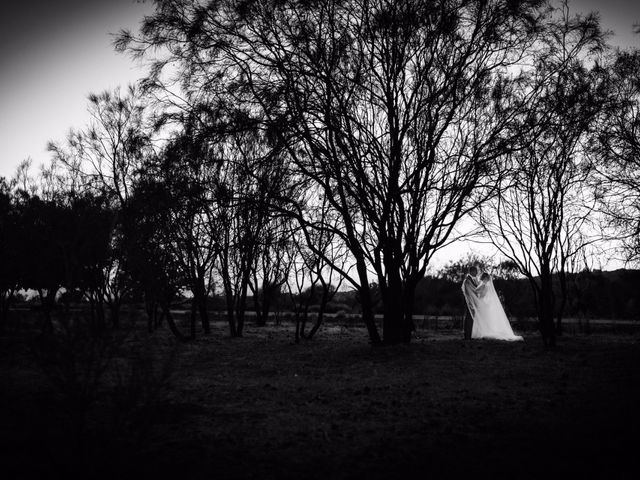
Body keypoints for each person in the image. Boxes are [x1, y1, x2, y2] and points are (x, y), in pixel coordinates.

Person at [463, 270, 523, 341]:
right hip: (483, 303)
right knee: (482, 320)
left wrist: (468, 289)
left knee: (480, 320)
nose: (480, 277)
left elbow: (476, 291)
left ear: (484, 278)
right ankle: (481, 333)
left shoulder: (483, 285)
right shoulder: (485, 285)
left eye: (482, 276)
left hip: (481, 303)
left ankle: (481, 333)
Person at [461, 265, 479, 340]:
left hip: (472, 301)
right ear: (471, 272)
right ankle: (467, 335)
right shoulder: (467, 280)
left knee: (471, 318)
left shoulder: (472, 279)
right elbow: (471, 290)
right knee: (469, 318)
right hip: (469, 302)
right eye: (475, 271)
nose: (477, 273)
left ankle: (469, 334)